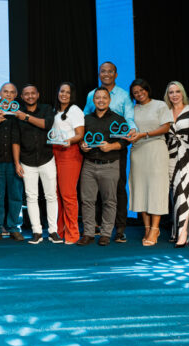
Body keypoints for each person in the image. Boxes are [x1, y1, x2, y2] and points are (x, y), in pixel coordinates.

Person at [83, 62, 137, 242]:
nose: (106, 74)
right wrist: (83, 144)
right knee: (90, 197)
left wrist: (131, 132)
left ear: (115, 74)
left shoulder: (123, 97)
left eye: (110, 71)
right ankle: (92, 230)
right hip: (92, 157)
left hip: (114, 153)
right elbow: (83, 126)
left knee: (116, 192)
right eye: (103, 71)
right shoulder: (91, 98)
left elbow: (128, 119)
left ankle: (117, 229)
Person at [77, 87, 127, 246]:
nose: (101, 100)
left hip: (110, 165)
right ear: (93, 100)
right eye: (98, 98)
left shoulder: (118, 119)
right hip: (89, 165)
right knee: (87, 200)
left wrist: (111, 147)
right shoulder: (86, 119)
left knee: (109, 201)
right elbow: (80, 137)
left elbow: (125, 141)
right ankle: (89, 233)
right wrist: (82, 145)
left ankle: (105, 233)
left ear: (109, 100)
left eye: (104, 98)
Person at [125, 78, 172, 246]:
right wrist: (130, 136)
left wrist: (144, 134)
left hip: (156, 149)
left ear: (147, 89)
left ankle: (155, 229)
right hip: (137, 151)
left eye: (141, 90)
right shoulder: (132, 109)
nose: (139, 94)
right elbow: (128, 128)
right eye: (135, 93)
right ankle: (146, 228)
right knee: (141, 189)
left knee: (156, 189)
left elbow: (166, 128)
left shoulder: (160, 105)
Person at [12, 84, 59, 244]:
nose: (30, 96)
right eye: (26, 94)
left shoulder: (46, 109)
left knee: (51, 196)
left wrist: (25, 117)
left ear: (38, 95)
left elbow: (47, 124)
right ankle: (37, 232)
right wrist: (17, 162)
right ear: (22, 97)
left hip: (47, 158)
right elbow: (16, 141)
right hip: (26, 161)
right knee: (31, 198)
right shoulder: (16, 115)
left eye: (33, 93)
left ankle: (53, 231)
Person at [0, 83, 25, 242]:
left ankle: (14, 227)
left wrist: (17, 163)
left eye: (12, 92)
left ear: (15, 95)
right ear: (0, 93)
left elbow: (19, 137)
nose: (8, 95)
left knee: (15, 196)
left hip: (14, 161)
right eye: (5, 91)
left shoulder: (19, 112)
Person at [163, 81, 189, 248]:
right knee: (174, 192)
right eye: (171, 92)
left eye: (177, 91)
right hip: (169, 155)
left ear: (182, 93)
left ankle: (184, 233)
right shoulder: (165, 111)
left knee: (185, 191)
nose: (174, 95)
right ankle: (176, 230)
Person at [52, 82, 85, 244]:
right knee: (57, 195)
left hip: (69, 153)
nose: (64, 94)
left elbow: (80, 134)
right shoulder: (55, 111)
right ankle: (60, 230)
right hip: (55, 153)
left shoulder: (75, 110)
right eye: (61, 91)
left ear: (72, 95)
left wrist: (68, 141)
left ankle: (73, 233)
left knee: (68, 195)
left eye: (67, 92)